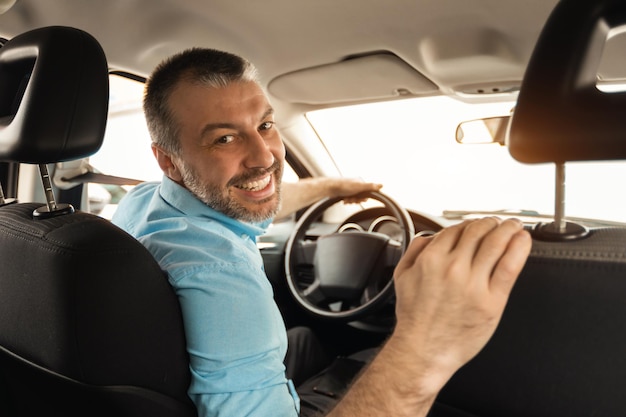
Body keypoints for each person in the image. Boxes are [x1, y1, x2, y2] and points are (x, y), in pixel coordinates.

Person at [111, 48, 532, 417]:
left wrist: (331, 187)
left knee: (307, 341)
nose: (264, 157)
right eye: (224, 138)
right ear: (169, 161)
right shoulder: (220, 275)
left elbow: (246, 196)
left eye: (264, 125)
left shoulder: (147, 202)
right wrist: (425, 348)